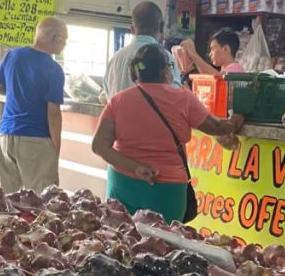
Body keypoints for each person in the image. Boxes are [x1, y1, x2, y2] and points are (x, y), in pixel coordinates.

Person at [92, 45, 245, 223]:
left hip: (123, 184)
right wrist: (235, 122)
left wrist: (135, 167)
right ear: (166, 71)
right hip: (167, 189)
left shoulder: (118, 101)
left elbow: (99, 146)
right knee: (165, 243)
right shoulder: (183, 98)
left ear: (135, 74)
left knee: (121, 239)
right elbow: (216, 127)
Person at [0, 17, 67, 193]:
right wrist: (55, 149)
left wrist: (17, 95)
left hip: (6, 136)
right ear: (55, 38)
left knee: (4, 200)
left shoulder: (13, 55)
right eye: (64, 40)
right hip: (35, 140)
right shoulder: (53, 69)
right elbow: (53, 113)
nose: (64, 45)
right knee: (43, 202)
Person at [104, 1, 181, 99]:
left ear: (132, 29)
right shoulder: (166, 59)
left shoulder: (114, 60)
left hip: (120, 114)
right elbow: (176, 102)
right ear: (161, 27)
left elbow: (108, 99)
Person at [177, 29, 245, 76]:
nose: (210, 54)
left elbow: (217, 78)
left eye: (212, 49)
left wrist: (193, 54)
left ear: (225, 49)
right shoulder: (222, 71)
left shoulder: (236, 69)